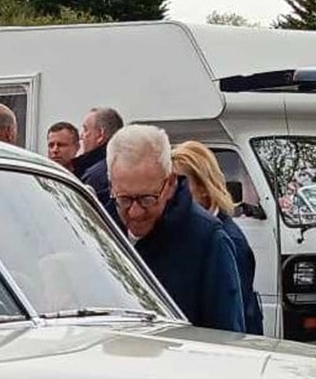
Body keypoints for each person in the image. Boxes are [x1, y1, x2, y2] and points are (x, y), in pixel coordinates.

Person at [107, 124, 244, 332]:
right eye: (124, 199)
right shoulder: (99, 229)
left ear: (169, 184)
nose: (135, 212)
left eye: (147, 199)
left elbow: (227, 338)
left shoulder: (208, 241)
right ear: (111, 186)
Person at [171, 140, 263, 337]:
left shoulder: (228, 240)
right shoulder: (187, 229)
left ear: (204, 187)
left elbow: (232, 314)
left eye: (182, 183)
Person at [71, 107, 121, 211]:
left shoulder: (94, 177)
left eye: (85, 129)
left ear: (100, 135)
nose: (81, 136)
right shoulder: (125, 166)